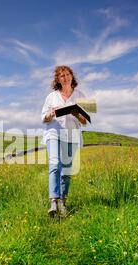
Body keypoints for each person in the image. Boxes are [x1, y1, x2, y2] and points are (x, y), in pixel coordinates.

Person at [41, 65, 87, 218]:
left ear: (72, 77)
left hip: (72, 134)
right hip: (53, 132)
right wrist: (51, 114)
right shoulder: (51, 96)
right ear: (58, 80)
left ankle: (63, 202)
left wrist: (76, 113)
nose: (65, 77)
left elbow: (85, 121)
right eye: (62, 76)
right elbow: (44, 118)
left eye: (67, 74)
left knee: (66, 169)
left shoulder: (80, 95)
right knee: (55, 164)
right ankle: (53, 202)